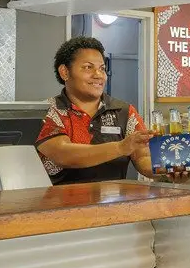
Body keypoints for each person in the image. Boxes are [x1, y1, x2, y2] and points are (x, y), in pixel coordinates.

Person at [36, 36, 154, 184]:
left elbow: (143, 157)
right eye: (88, 67)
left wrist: (169, 170)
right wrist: (120, 147)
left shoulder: (124, 111)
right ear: (64, 72)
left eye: (102, 68)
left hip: (115, 204)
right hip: (62, 205)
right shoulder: (47, 111)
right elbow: (63, 154)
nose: (99, 75)